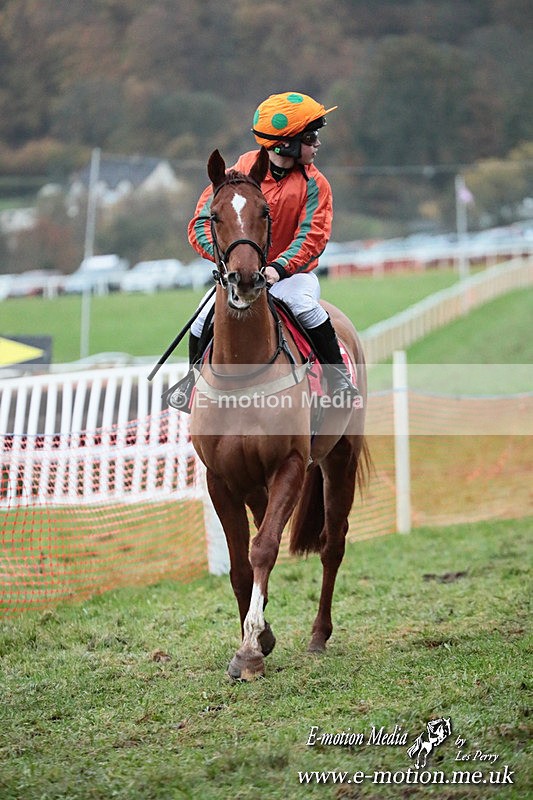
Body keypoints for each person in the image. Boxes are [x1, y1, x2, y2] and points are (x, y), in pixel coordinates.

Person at [175, 91, 358, 407]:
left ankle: (337, 379)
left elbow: (313, 236)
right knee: (201, 318)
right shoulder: (239, 172)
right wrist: (230, 261)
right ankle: (192, 383)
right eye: (310, 137)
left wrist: (278, 268)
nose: (316, 145)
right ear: (285, 144)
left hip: (290, 276)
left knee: (306, 308)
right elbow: (201, 223)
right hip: (239, 272)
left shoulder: (316, 184)